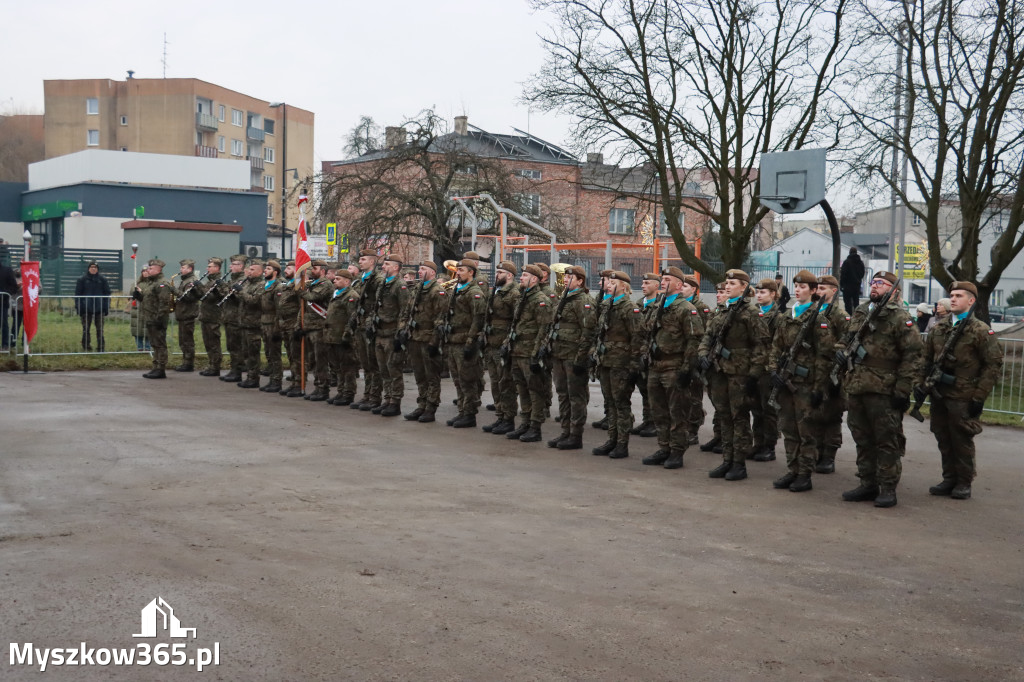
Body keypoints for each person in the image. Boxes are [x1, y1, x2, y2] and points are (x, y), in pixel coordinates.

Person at [836, 271, 923, 508]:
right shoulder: (862, 311)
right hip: (857, 384)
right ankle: (867, 483)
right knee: (862, 438)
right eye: (873, 282)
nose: (874, 286)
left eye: (880, 283)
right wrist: (841, 351)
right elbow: (847, 338)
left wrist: (903, 389)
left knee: (887, 440)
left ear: (894, 290)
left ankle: (887, 487)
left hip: (884, 388)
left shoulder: (900, 317)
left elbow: (912, 355)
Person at [915, 281, 1003, 500]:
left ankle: (964, 481)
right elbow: (926, 360)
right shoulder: (939, 328)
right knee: (943, 436)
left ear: (971, 301)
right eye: (951, 295)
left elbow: (992, 365)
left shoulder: (980, 330)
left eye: (959, 296)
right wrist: (919, 384)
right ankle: (949, 478)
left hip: (964, 394)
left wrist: (979, 396)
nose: (953, 299)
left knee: (961, 439)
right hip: (939, 393)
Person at [698, 269, 770, 481]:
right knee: (724, 416)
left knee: (739, 418)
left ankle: (739, 463)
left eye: (732, 283)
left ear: (744, 287)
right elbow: (707, 337)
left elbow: (761, 346)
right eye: (727, 283)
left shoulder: (751, 313)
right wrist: (702, 354)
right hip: (719, 371)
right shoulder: (720, 309)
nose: (727, 286)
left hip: (740, 373)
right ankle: (727, 459)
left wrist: (754, 375)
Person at [767, 270, 834, 492]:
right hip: (786, 382)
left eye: (803, 287)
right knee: (788, 429)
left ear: (814, 291)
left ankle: (805, 474)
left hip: (806, 383)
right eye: (796, 286)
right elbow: (776, 347)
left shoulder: (819, 319)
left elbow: (825, 357)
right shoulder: (787, 316)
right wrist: (774, 370)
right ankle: (793, 469)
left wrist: (818, 388)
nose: (797, 290)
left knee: (806, 431)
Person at [641, 267, 704, 470]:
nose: (663, 282)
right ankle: (664, 447)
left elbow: (694, 341)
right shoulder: (657, 306)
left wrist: (686, 370)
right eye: (662, 279)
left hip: (674, 366)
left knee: (677, 413)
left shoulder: (686, 308)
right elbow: (646, 334)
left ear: (678, 284)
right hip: (655, 365)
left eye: (667, 279)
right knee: (658, 411)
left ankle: (677, 451)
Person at [590, 270, 643, 459]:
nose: (609, 285)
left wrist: (634, 365)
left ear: (623, 286)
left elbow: (637, 337)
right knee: (610, 403)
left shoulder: (630, 307)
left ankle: (622, 443)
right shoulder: (606, 305)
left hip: (621, 363)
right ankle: (611, 439)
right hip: (606, 361)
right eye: (609, 282)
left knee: (621, 404)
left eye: (613, 283)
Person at [545, 265, 597, 450]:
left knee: (576, 396)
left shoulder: (583, 301)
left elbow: (588, 332)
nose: (565, 281)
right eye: (565, 278)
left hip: (573, 356)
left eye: (570, 278)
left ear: (580, 281)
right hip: (559, 353)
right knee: (562, 394)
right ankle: (565, 431)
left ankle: (576, 435)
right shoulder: (564, 299)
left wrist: (581, 358)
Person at [504, 264, 553, 441]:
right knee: (522, 389)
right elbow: (516, 324)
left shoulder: (540, 300)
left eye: (524, 275)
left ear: (534, 279)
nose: (521, 278)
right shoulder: (523, 298)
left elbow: (544, 329)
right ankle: (524, 423)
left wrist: (536, 354)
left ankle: (535, 427)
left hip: (529, 353)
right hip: (517, 351)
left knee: (534, 391)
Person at [811, 275, 850, 474]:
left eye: (823, 288)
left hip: (832, 370)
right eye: (817, 287)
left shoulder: (839, 315)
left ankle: (829, 456)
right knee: (815, 413)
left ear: (834, 290)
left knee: (832, 416)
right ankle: (817, 452)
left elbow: (847, 341)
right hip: (815, 370)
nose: (818, 291)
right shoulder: (814, 311)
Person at [441, 259, 487, 428]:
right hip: (453, 341)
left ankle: (469, 414)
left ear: (471, 273)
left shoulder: (474, 292)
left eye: (461, 270)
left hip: (465, 341)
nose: (457, 272)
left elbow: (478, 318)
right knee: (458, 380)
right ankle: (462, 410)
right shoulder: (457, 289)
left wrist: (471, 342)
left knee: (468, 380)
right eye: (457, 270)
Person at [480, 261, 521, 433]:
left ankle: (508, 418)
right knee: (496, 383)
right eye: (497, 272)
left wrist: (508, 344)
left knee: (506, 384)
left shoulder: (514, 294)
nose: (496, 275)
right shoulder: (496, 292)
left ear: (509, 275)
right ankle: (500, 415)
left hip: (503, 344)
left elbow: (516, 321)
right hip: (491, 343)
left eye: (500, 272)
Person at [370, 254, 413, 416]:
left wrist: (401, 332)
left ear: (396, 267)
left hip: (392, 333)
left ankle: (395, 402)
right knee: (383, 370)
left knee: (393, 369)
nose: (383, 266)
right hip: (380, 332)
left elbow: (405, 310)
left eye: (387, 264)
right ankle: (387, 399)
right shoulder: (383, 284)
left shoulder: (400, 286)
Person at [750, 278, 782, 462]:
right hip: (753, 368)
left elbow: (777, 345)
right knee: (756, 409)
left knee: (768, 410)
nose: (759, 295)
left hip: (767, 369)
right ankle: (758, 443)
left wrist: (773, 368)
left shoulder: (779, 318)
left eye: (763, 292)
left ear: (773, 294)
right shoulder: (754, 314)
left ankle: (769, 447)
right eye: (758, 292)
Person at [350, 249, 383, 411]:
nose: (360, 262)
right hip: (360, 325)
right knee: (365, 363)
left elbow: (378, 303)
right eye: (360, 259)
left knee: (373, 364)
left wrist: (371, 324)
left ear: (372, 261)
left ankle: (375, 396)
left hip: (370, 326)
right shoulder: (360, 280)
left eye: (363, 259)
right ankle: (367, 395)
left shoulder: (377, 279)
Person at [681, 275, 712, 444]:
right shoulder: (679, 306)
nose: (681, 289)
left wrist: (700, 357)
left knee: (694, 397)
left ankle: (692, 430)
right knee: (683, 397)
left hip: (696, 357)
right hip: (683, 356)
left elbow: (705, 335)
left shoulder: (701, 308)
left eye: (685, 286)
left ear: (693, 289)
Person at [298, 259, 335, 401]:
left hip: (320, 327)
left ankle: (323, 388)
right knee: (312, 360)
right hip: (309, 327)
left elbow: (313, 297)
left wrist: (301, 290)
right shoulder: (311, 284)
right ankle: (317, 386)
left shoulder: (325, 284)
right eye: (311, 268)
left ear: (323, 271)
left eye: (315, 268)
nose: (312, 270)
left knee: (321, 360)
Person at [133, 258, 174, 378]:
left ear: (158, 269)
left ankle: (161, 368)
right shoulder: (151, 283)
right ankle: (155, 366)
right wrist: (139, 296)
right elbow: (148, 300)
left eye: (151, 268)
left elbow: (164, 303)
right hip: (150, 318)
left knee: (160, 344)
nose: (148, 270)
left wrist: (160, 319)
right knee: (154, 344)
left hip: (157, 319)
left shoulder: (162, 284)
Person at [325, 267, 359, 405]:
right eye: (335, 278)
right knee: (337, 367)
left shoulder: (351, 296)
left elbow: (352, 317)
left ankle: (348, 393)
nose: (335, 280)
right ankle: (340, 392)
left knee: (347, 367)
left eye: (338, 279)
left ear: (347, 281)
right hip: (333, 336)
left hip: (343, 338)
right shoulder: (336, 294)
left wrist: (347, 335)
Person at [235, 259, 266, 389]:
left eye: (253, 270)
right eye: (250, 269)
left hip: (254, 324)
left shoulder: (261, 285)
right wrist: (236, 291)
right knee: (246, 353)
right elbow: (242, 299)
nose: (250, 272)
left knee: (253, 353)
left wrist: (241, 291)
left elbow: (253, 301)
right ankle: (249, 376)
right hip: (244, 323)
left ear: (260, 272)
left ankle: (254, 378)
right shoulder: (248, 283)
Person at [218, 255, 248, 383]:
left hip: (236, 318)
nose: (231, 267)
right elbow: (226, 295)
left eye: (234, 264)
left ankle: (237, 371)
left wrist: (224, 287)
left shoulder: (243, 280)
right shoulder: (233, 279)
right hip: (229, 317)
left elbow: (236, 297)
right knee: (231, 346)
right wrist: (222, 287)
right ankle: (234, 369)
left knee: (236, 346)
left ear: (241, 266)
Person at [257, 260, 285, 393]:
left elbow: (279, 309)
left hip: (273, 323)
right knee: (268, 353)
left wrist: (277, 328)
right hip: (264, 322)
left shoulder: (278, 287)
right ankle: (272, 379)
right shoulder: (264, 285)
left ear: (275, 272)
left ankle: (276, 381)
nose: (265, 271)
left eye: (268, 269)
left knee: (275, 354)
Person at [196, 257, 226, 377]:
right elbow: (202, 296)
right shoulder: (210, 281)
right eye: (208, 266)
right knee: (208, 342)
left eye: (210, 266)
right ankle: (211, 364)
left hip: (213, 316)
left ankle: (215, 366)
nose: (207, 268)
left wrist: (200, 287)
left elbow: (212, 297)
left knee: (214, 342)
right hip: (206, 316)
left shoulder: (219, 281)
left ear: (217, 268)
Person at [74, 261, 111, 352]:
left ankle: (101, 347)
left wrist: (106, 308)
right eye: (92, 267)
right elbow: (77, 295)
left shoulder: (102, 280)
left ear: (97, 269)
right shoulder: (82, 280)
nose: (93, 269)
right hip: (86, 308)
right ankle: (86, 346)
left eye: (95, 267)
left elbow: (107, 294)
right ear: (88, 268)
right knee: (86, 328)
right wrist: (79, 308)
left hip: (99, 308)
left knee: (100, 329)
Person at [172, 259, 200, 371]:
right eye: (181, 267)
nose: (181, 270)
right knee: (183, 340)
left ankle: (188, 363)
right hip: (183, 314)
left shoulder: (191, 281)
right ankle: (185, 361)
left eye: (183, 268)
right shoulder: (185, 280)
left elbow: (187, 297)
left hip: (187, 314)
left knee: (187, 341)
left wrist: (174, 291)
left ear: (190, 269)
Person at [840, 247, 866, 314]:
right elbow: (862, 273)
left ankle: (849, 316)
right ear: (856, 252)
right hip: (857, 285)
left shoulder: (846, 262)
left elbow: (843, 274)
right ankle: (856, 316)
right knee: (856, 302)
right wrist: (858, 279)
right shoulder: (860, 262)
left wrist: (842, 284)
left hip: (847, 285)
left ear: (850, 252)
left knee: (847, 303)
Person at [0, 258, 18, 351]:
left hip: (3, 302)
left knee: (3, 323)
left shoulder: (7, 271)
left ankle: (5, 345)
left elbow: (14, 287)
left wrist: (4, 293)